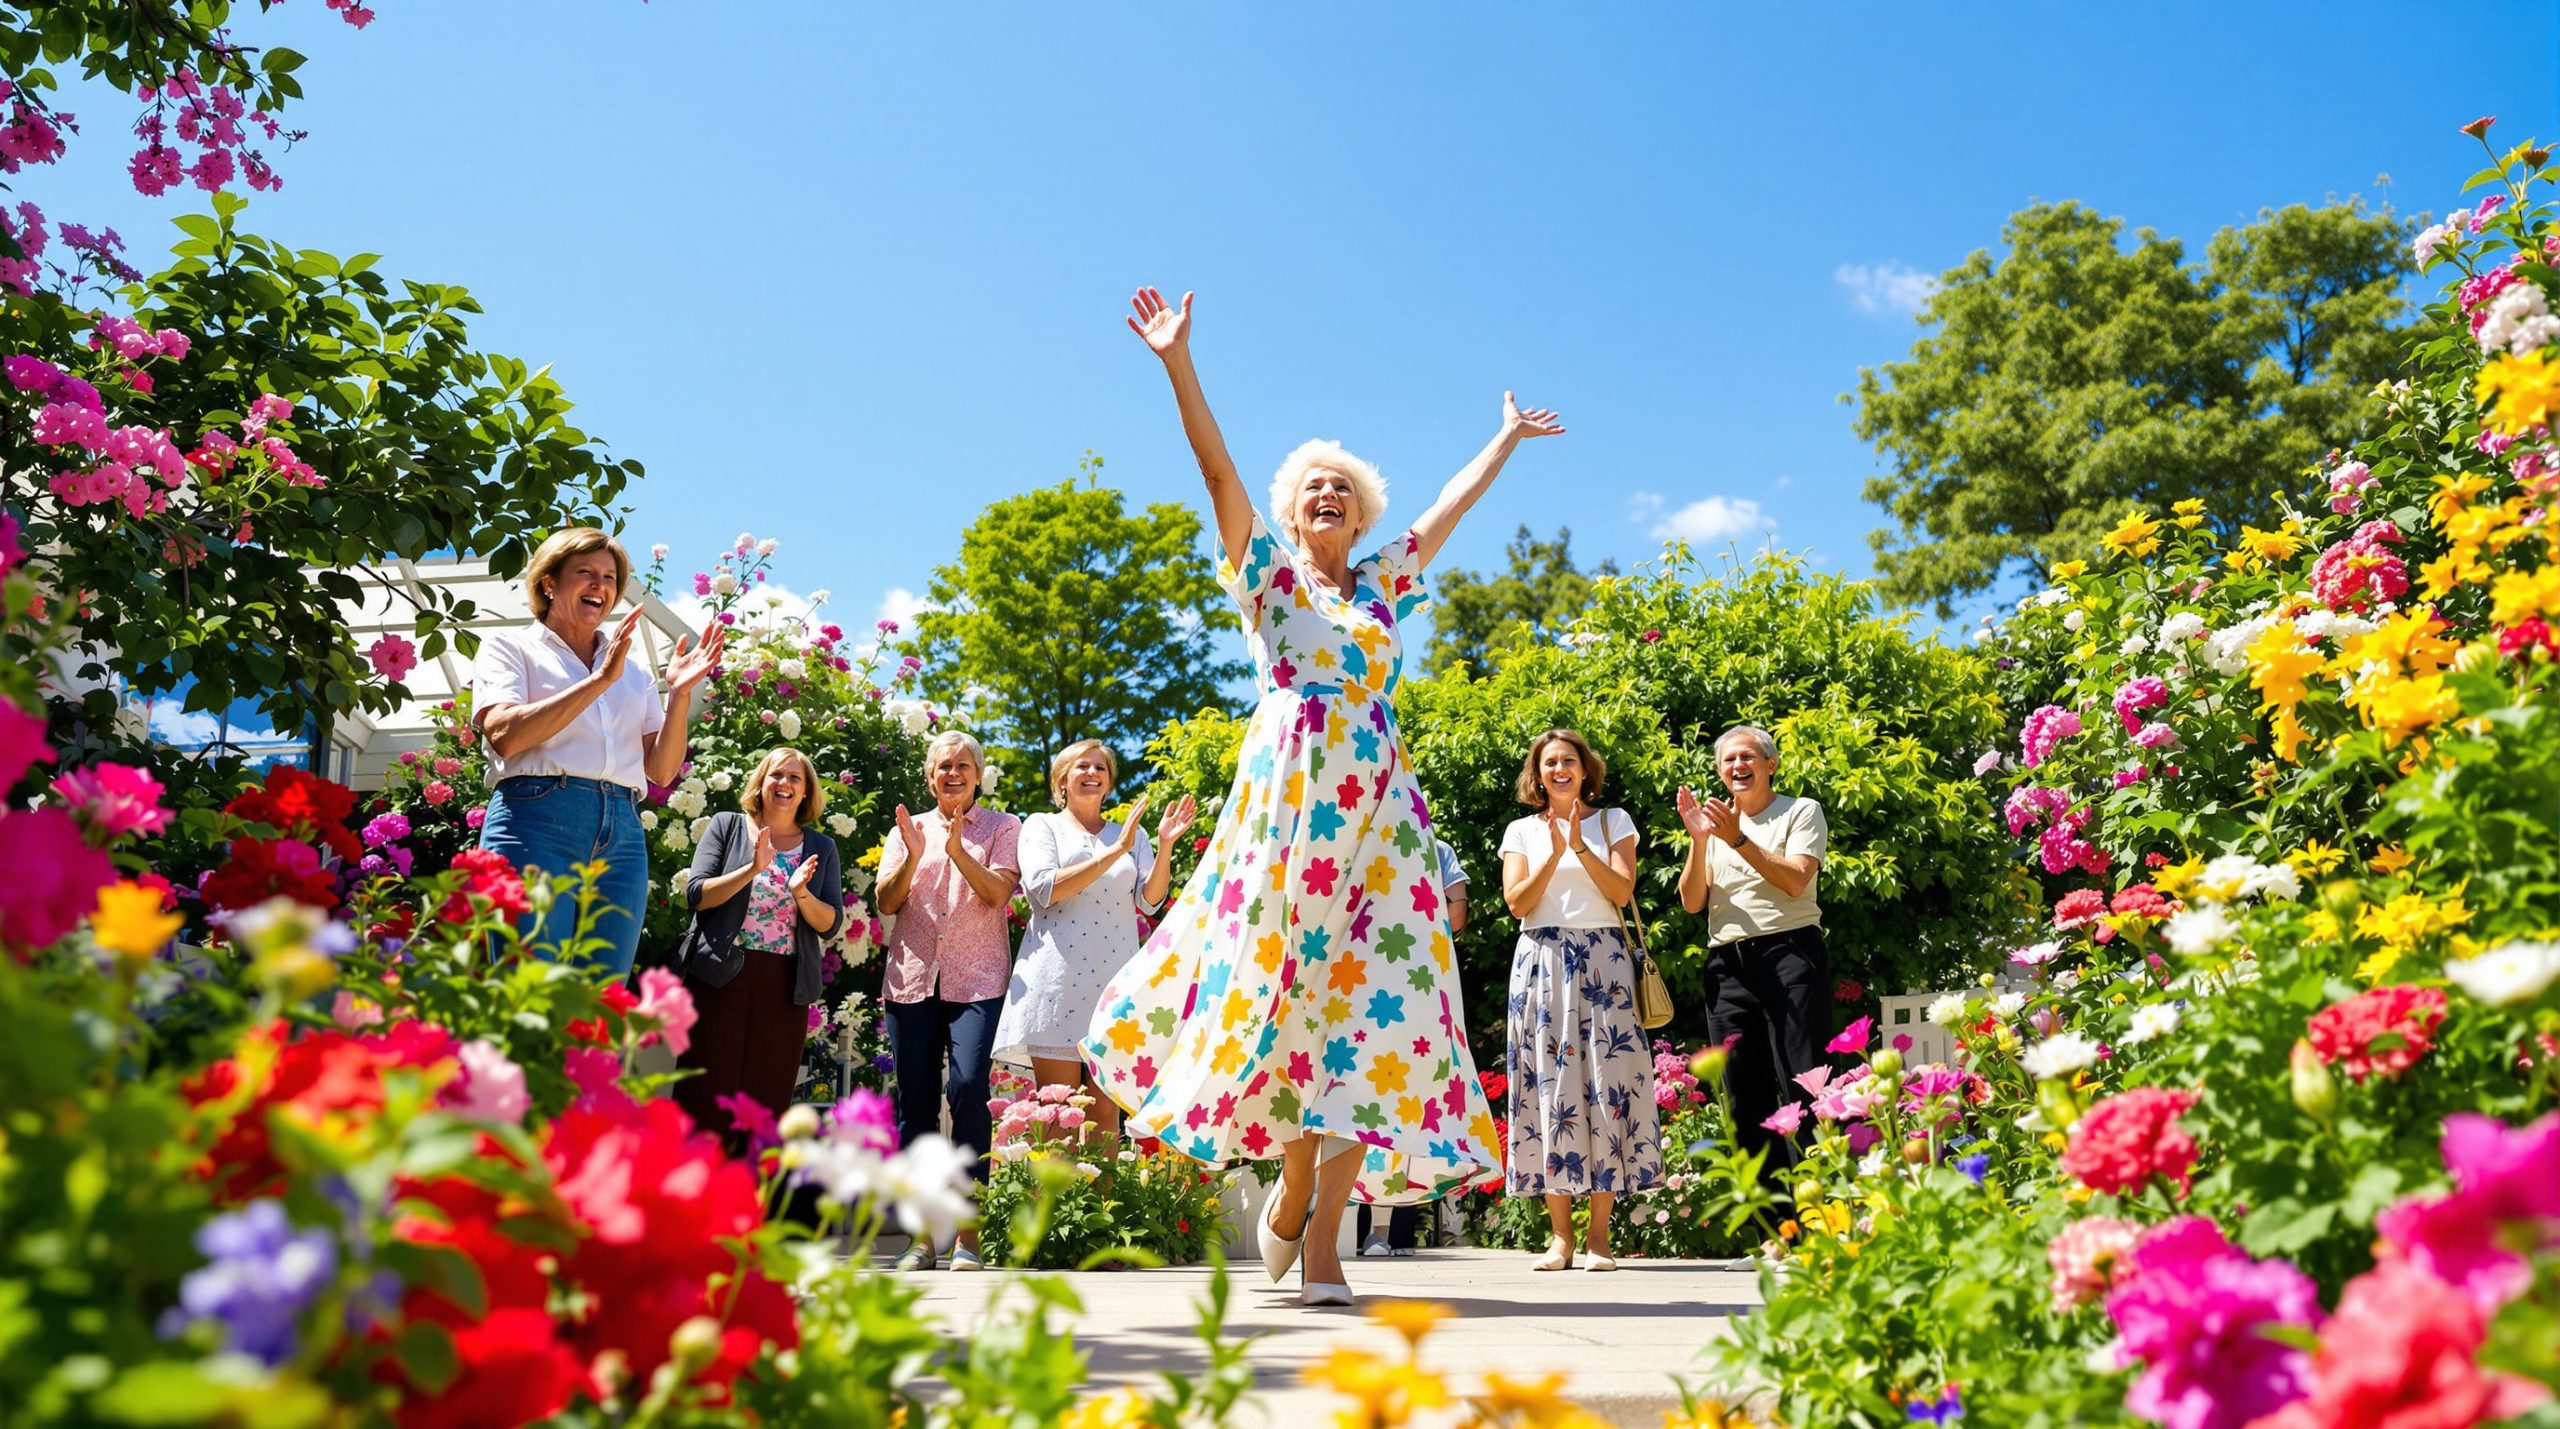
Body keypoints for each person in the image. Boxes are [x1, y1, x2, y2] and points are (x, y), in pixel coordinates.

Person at [1084, 286, 1562, 1308]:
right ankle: (1293, 1178)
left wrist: (1504, 440)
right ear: (1292, 508)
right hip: (1287, 814)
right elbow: (1216, 470)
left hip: (1380, 820)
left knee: (1373, 1016)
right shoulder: (1266, 574)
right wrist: (1178, 363)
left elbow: (1448, 509)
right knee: (1290, 998)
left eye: (1342, 487)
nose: (1327, 497)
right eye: (1312, 488)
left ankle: (1325, 1246)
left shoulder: (1387, 581)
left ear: (1361, 509)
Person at [471, 526, 724, 976]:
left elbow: (662, 772)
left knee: (601, 999)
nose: (600, 586)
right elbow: (504, 735)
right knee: (529, 989)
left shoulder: (634, 671)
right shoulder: (511, 647)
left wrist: (679, 696)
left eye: (609, 578)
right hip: (536, 821)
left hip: (621, 833)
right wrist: (598, 680)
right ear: (549, 582)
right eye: (585, 573)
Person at [1498, 729, 1662, 1272]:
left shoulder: (1613, 821)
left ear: (1586, 769)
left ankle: (1599, 1239)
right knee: (1550, 1091)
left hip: (1605, 963)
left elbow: (1621, 892)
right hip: (1541, 961)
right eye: (1550, 763)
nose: (1560, 769)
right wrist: (1553, 852)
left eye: (1569, 760)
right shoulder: (1521, 831)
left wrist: (1581, 846)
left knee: (1605, 1088)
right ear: (1538, 774)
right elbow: (1517, 902)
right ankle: (1560, 1239)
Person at [993, 740, 1197, 1143]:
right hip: (1056, 983)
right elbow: (1044, 889)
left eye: (1100, 768)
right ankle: (1052, 1206)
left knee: (1106, 1114)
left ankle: (1102, 1206)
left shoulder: (1131, 836)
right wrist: (1114, 853)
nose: (1092, 774)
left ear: (1108, 782)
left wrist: (1165, 845)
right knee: (1058, 1114)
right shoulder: (1041, 825)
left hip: (1114, 985)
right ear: (1062, 780)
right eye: (1082, 767)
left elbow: (1150, 901)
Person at [877, 730, 1021, 1271]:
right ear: (930, 776)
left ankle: (968, 1232)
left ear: (978, 775)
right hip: (912, 978)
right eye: (943, 767)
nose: (953, 774)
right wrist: (914, 856)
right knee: (914, 1104)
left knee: (966, 1089)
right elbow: (887, 902)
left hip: (977, 978)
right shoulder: (908, 828)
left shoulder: (1005, 827)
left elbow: (998, 894)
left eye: (963, 765)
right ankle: (922, 1238)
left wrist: (959, 852)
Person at [1676, 724, 1831, 1197]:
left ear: (1770, 764)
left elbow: (1796, 881)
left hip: (1790, 954)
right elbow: (1691, 902)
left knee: (1806, 1086)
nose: (1738, 766)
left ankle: (1826, 1225)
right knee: (1744, 1099)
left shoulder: (1801, 811)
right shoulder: (1714, 825)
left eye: (1747, 757)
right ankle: (1776, 1238)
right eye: (1728, 760)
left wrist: (1737, 838)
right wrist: (1701, 840)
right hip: (1728, 965)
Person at [668, 747, 844, 1149]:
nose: (784, 784)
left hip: (784, 989)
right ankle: (688, 1202)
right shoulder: (727, 826)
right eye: (776, 775)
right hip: (718, 980)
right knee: (703, 1101)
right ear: (761, 783)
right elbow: (697, 895)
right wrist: (752, 869)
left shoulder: (822, 846)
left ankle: (749, 1205)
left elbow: (830, 923)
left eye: (794, 778)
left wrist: (801, 893)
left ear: (805, 792)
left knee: (764, 1110)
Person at [1357, 835, 1470, 1259]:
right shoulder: (1370, 840)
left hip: (1417, 985)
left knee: (1398, 1101)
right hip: (1373, 982)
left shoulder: (1436, 848)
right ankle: (1354, 1227)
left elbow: (1456, 919)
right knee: (1368, 1098)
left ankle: (1380, 1231)